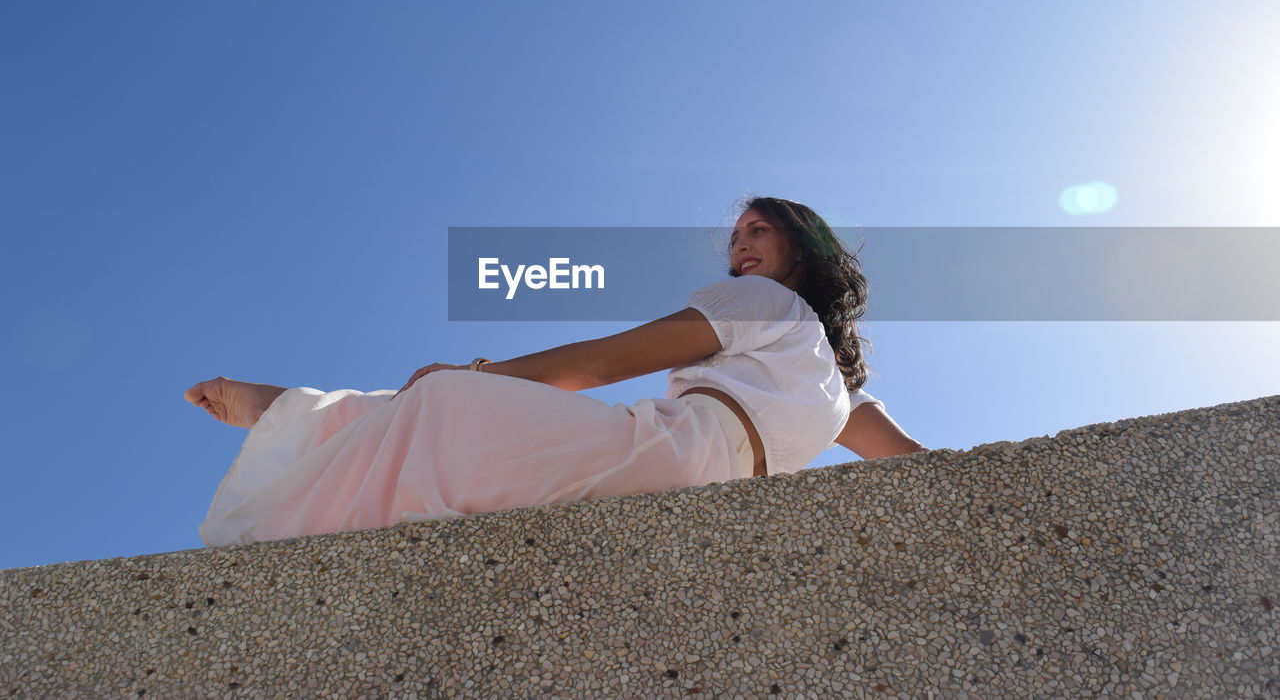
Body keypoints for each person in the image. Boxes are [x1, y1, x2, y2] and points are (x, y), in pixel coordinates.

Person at [186, 197, 924, 547]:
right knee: (433, 415)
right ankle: (298, 410)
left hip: (669, 458)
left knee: (442, 400)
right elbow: (909, 461)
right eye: (735, 240)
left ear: (805, 245)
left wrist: (477, 372)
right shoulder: (826, 386)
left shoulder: (790, 333)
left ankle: (295, 411)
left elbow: (603, 362)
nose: (739, 250)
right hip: (688, 469)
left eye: (758, 231)